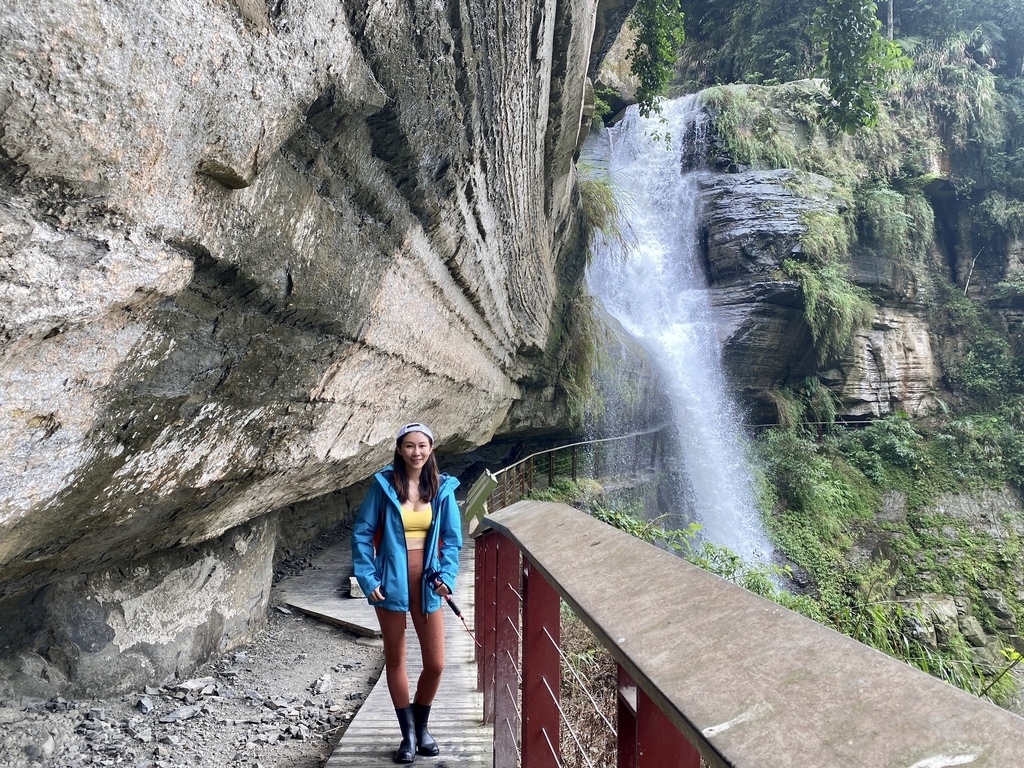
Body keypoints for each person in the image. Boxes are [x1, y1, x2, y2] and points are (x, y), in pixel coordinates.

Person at [351, 422, 462, 763]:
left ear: (431, 449)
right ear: (400, 449)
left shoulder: (442, 489)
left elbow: (453, 542)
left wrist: (447, 576)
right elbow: (362, 534)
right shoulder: (384, 487)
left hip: (427, 582)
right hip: (390, 583)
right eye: (410, 446)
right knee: (396, 659)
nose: (417, 452)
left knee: (437, 663)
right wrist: (369, 580)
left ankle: (422, 724)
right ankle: (409, 736)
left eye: (423, 446)